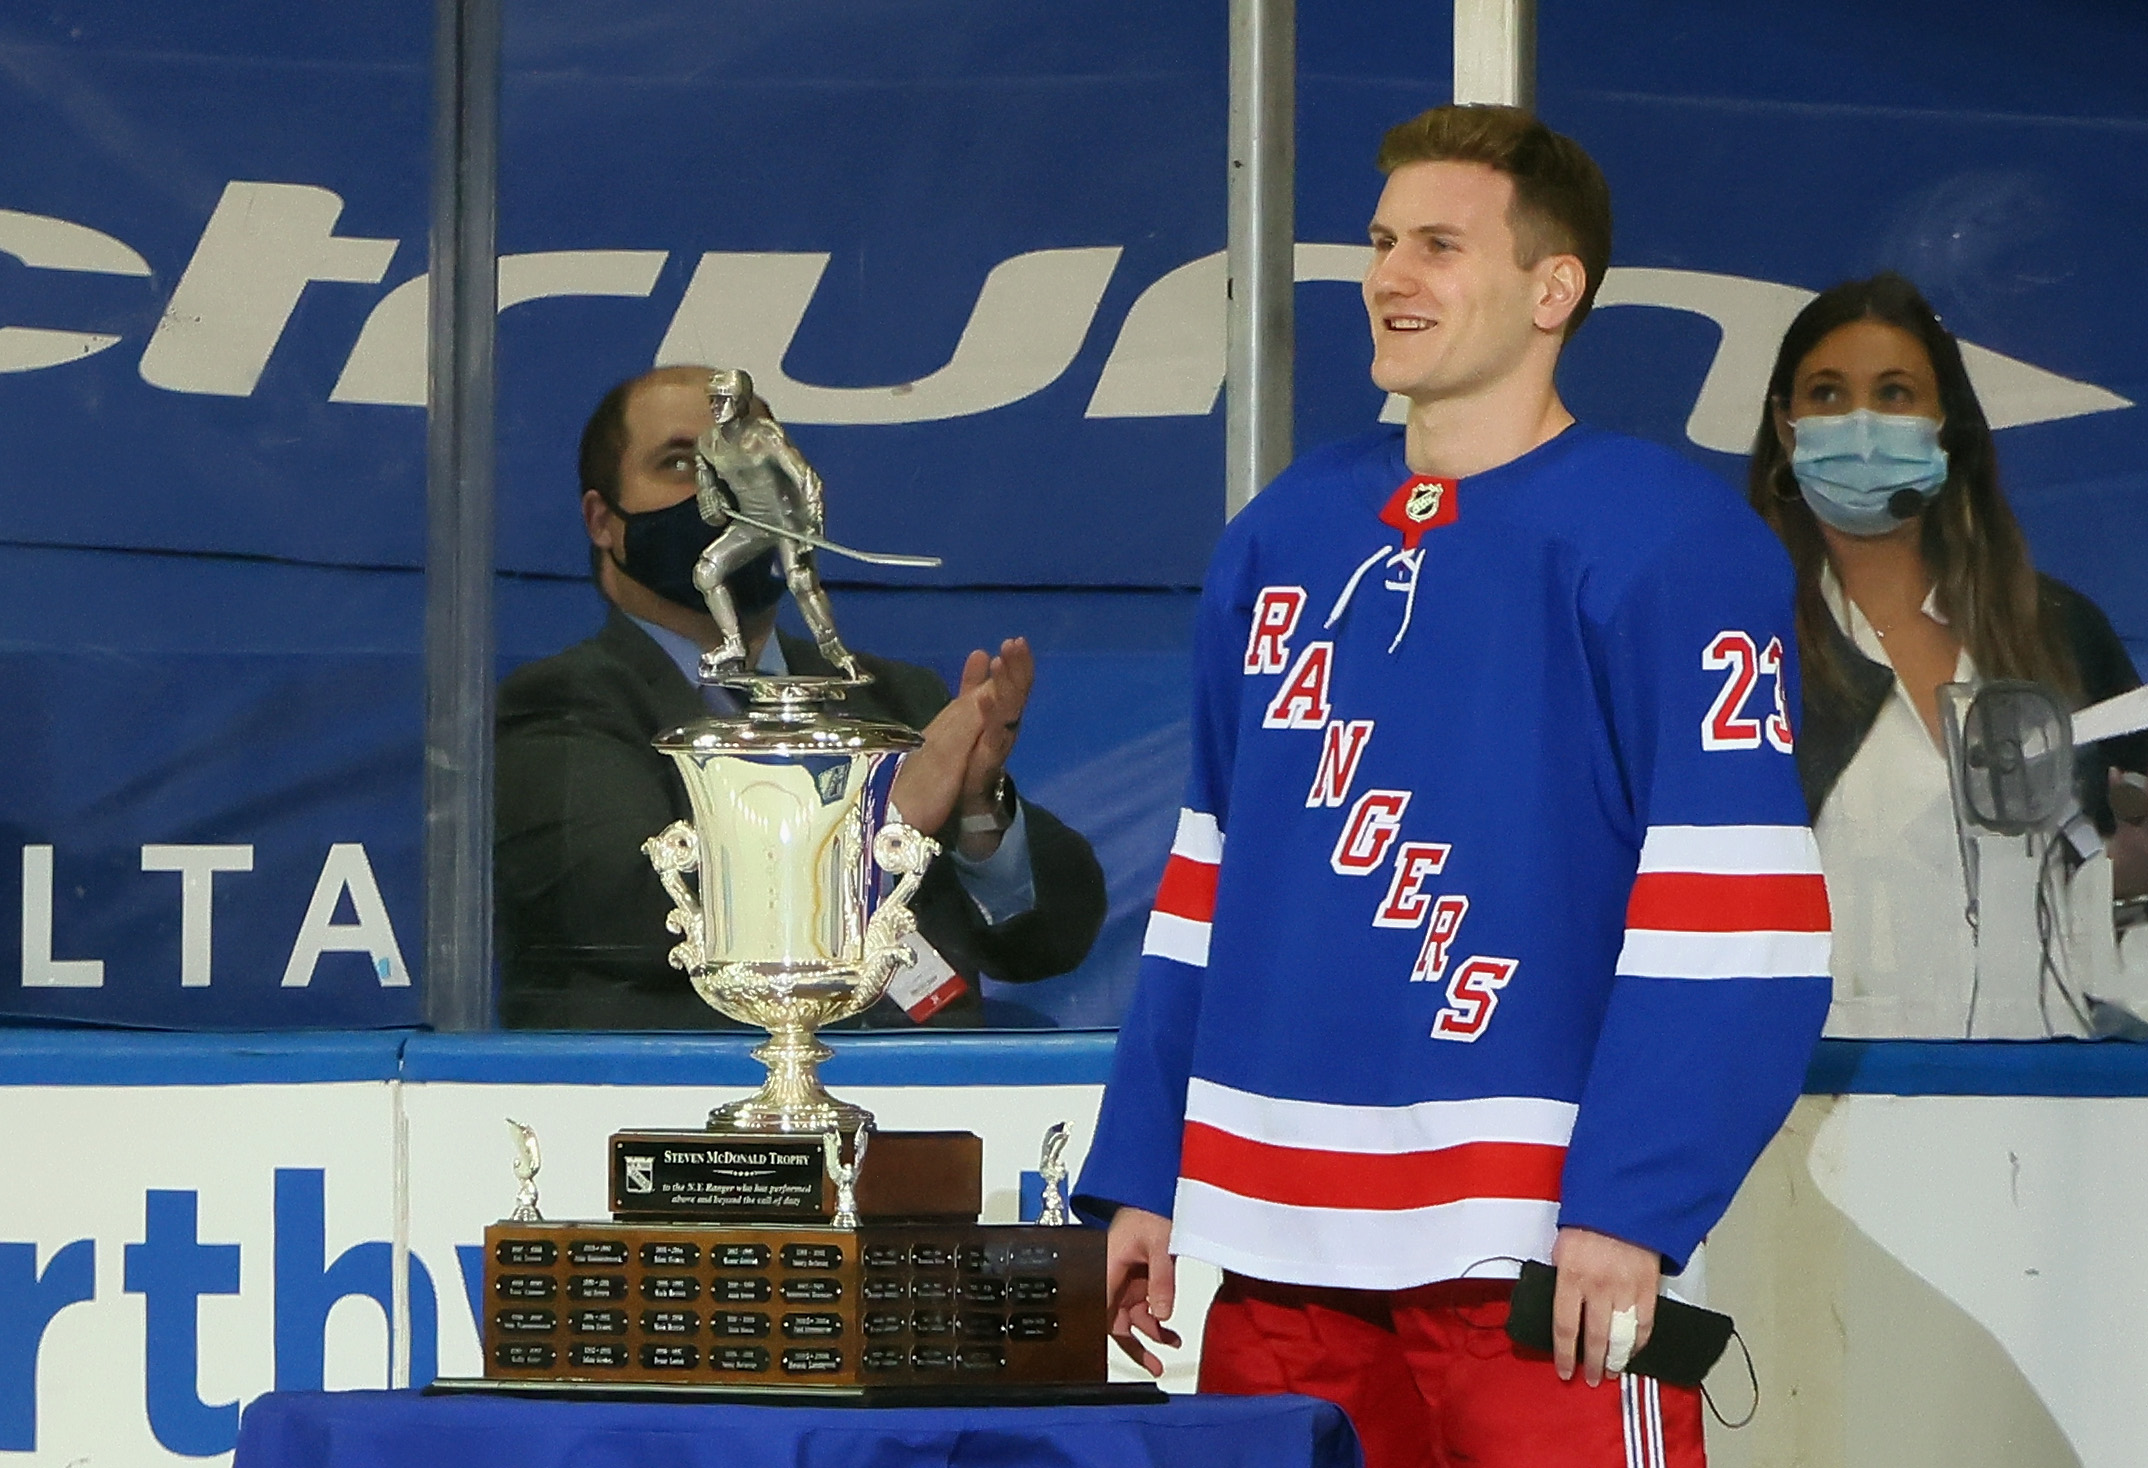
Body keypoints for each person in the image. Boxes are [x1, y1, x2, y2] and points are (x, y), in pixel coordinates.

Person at [1074, 105, 1832, 1468]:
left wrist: (1635, 1202)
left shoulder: (1674, 541)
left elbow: (1738, 912)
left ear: (1556, 288)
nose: (1389, 276)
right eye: (1379, 242)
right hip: (1271, 1245)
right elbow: (1207, 876)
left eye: (1438, 243)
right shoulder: (1283, 535)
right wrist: (1146, 1170)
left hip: (1536, 1251)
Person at [494, 365, 1108, 1028]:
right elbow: (631, 909)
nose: (723, 490)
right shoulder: (559, 705)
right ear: (603, 520)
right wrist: (884, 817)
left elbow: (1052, 941)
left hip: (928, 1110)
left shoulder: (893, 699)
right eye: (678, 462)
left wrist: (977, 814)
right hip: (697, 1114)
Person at [1746, 273, 2148, 1038]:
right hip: (1809, 1111)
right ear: (1785, 425)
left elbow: (2132, 878)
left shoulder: (2060, 632)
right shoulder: (1736, 645)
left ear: (1946, 425)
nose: (1860, 423)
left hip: (2050, 1106)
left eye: (1895, 394)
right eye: (1827, 394)